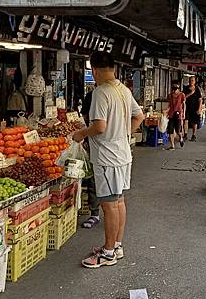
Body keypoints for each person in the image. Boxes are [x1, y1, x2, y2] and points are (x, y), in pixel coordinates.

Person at [73, 52, 145, 268]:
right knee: (119, 201)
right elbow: (139, 116)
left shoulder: (100, 93)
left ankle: (108, 253)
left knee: (109, 205)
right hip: (122, 154)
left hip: (107, 157)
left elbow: (99, 127)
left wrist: (81, 134)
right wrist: (124, 135)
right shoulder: (123, 89)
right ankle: (116, 246)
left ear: (94, 70)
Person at [80, 84, 100, 229]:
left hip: (111, 148)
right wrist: (86, 137)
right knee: (93, 178)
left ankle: (107, 212)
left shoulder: (117, 95)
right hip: (93, 143)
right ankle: (95, 213)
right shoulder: (91, 96)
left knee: (108, 183)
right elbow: (85, 118)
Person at [167, 82, 185, 150]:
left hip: (179, 115)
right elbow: (169, 105)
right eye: (173, 89)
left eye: (176, 89)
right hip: (171, 114)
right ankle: (172, 146)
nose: (174, 91)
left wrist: (183, 114)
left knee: (178, 131)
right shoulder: (170, 95)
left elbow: (184, 105)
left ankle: (181, 138)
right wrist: (166, 111)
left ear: (178, 89)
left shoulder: (181, 95)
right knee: (170, 131)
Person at [183, 76, 202, 141]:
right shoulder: (186, 88)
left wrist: (199, 109)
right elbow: (183, 98)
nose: (191, 82)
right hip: (187, 107)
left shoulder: (197, 89)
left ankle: (194, 135)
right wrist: (190, 93)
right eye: (190, 80)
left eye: (192, 80)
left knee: (194, 122)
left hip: (195, 108)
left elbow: (200, 99)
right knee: (186, 121)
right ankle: (185, 134)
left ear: (195, 81)